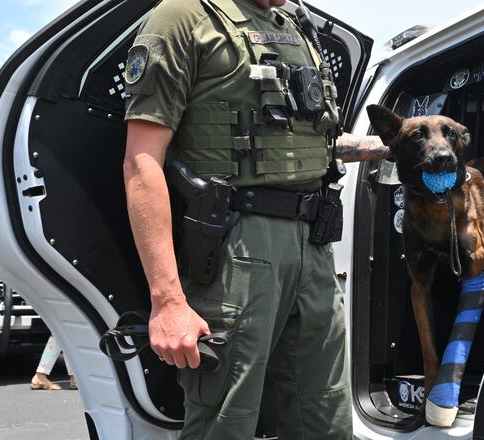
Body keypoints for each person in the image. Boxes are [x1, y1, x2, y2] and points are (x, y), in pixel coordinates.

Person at [122, 0, 388, 438]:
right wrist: (167, 301)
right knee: (225, 423)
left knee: (326, 422)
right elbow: (141, 161)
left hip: (314, 244)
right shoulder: (184, 17)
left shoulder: (295, 26)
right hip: (237, 249)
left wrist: (395, 142)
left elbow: (306, 142)